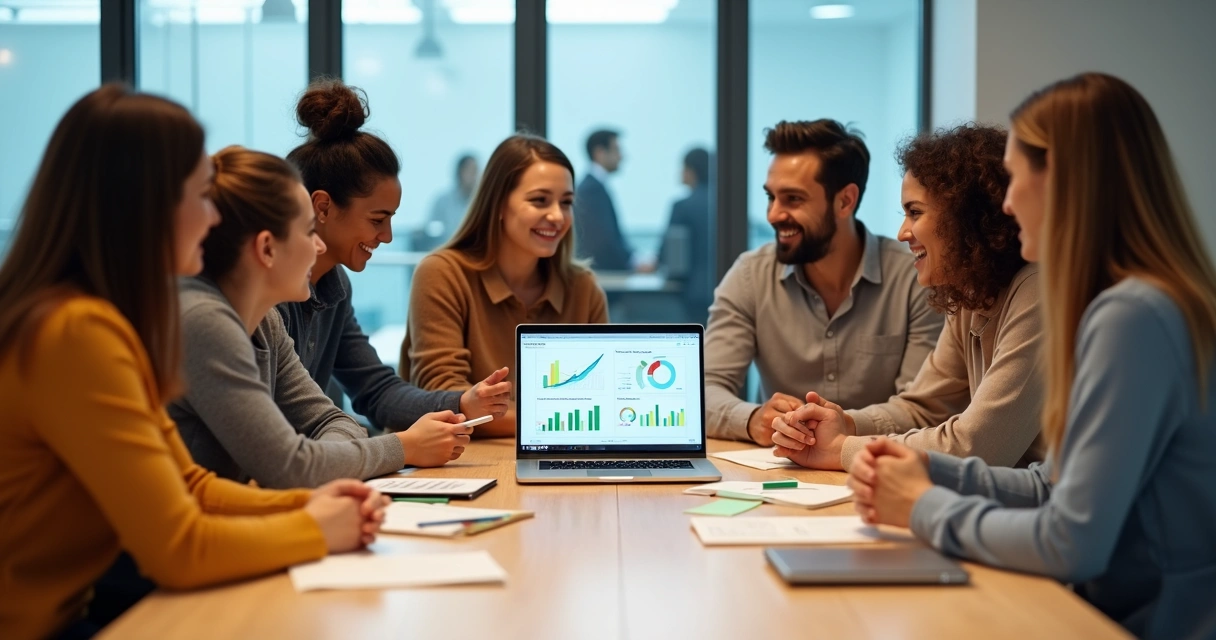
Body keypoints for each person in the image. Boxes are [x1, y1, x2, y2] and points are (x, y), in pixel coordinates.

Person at [0, 85, 385, 640]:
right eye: (200, 196)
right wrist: (316, 528)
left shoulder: (102, 318)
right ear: (146, 204)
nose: (212, 219)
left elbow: (189, 484)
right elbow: (178, 548)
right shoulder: (75, 334)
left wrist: (317, 501)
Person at [848, 73, 1216, 639]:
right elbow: (1054, 484)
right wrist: (929, 469)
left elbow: (1070, 542)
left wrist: (922, 507)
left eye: (1016, 180)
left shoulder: (1132, 317)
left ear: (1070, 183)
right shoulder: (1136, 302)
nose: (1008, 203)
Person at [170, 146, 472, 490]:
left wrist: (320, 460)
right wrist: (403, 447)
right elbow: (290, 466)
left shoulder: (266, 322)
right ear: (267, 248)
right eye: (308, 231)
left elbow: (331, 423)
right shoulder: (205, 322)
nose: (318, 247)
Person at [771, 124, 1044, 471]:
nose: (902, 233)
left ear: (967, 218)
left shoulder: (1037, 293)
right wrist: (843, 425)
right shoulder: (973, 293)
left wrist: (843, 449)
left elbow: (976, 445)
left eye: (914, 212)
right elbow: (922, 407)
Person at [279, 80, 510, 435]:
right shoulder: (267, 295)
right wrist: (398, 447)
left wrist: (462, 403)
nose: (386, 236)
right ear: (322, 207)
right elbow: (293, 430)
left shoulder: (333, 286)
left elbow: (376, 391)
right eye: (377, 219)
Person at [705, 119, 943, 444]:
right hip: (778, 473)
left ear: (845, 201)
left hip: (878, 470)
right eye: (771, 197)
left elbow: (922, 409)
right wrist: (752, 420)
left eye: (793, 199)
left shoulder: (915, 278)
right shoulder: (750, 275)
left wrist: (841, 428)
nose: (773, 214)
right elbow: (703, 390)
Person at [401, 134, 609, 438]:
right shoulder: (442, 274)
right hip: (463, 463)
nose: (556, 216)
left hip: (558, 456)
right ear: (497, 204)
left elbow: (599, 401)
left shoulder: (584, 288)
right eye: (540, 200)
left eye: (566, 203)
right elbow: (444, 399)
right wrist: (561, 421)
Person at [658, 147, 714, 323]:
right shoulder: (724, 204)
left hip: (693, 292)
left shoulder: (682, 206)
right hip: (724, 287)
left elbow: (669, 254)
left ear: (691, 170)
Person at [573, 128, 636, 271]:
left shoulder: (595, 186)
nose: (621, 156)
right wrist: (632, 263)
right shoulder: (591, 189)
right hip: (603, 278)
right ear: (600, 153)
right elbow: (604, 241)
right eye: (616, 150)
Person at [425, 153, 479, 240]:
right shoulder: (442, 202)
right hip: (446, 250)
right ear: (460, 173)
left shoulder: (482, 203)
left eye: (476, 171)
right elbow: (430, 233)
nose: (474, 176)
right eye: (470, 171)